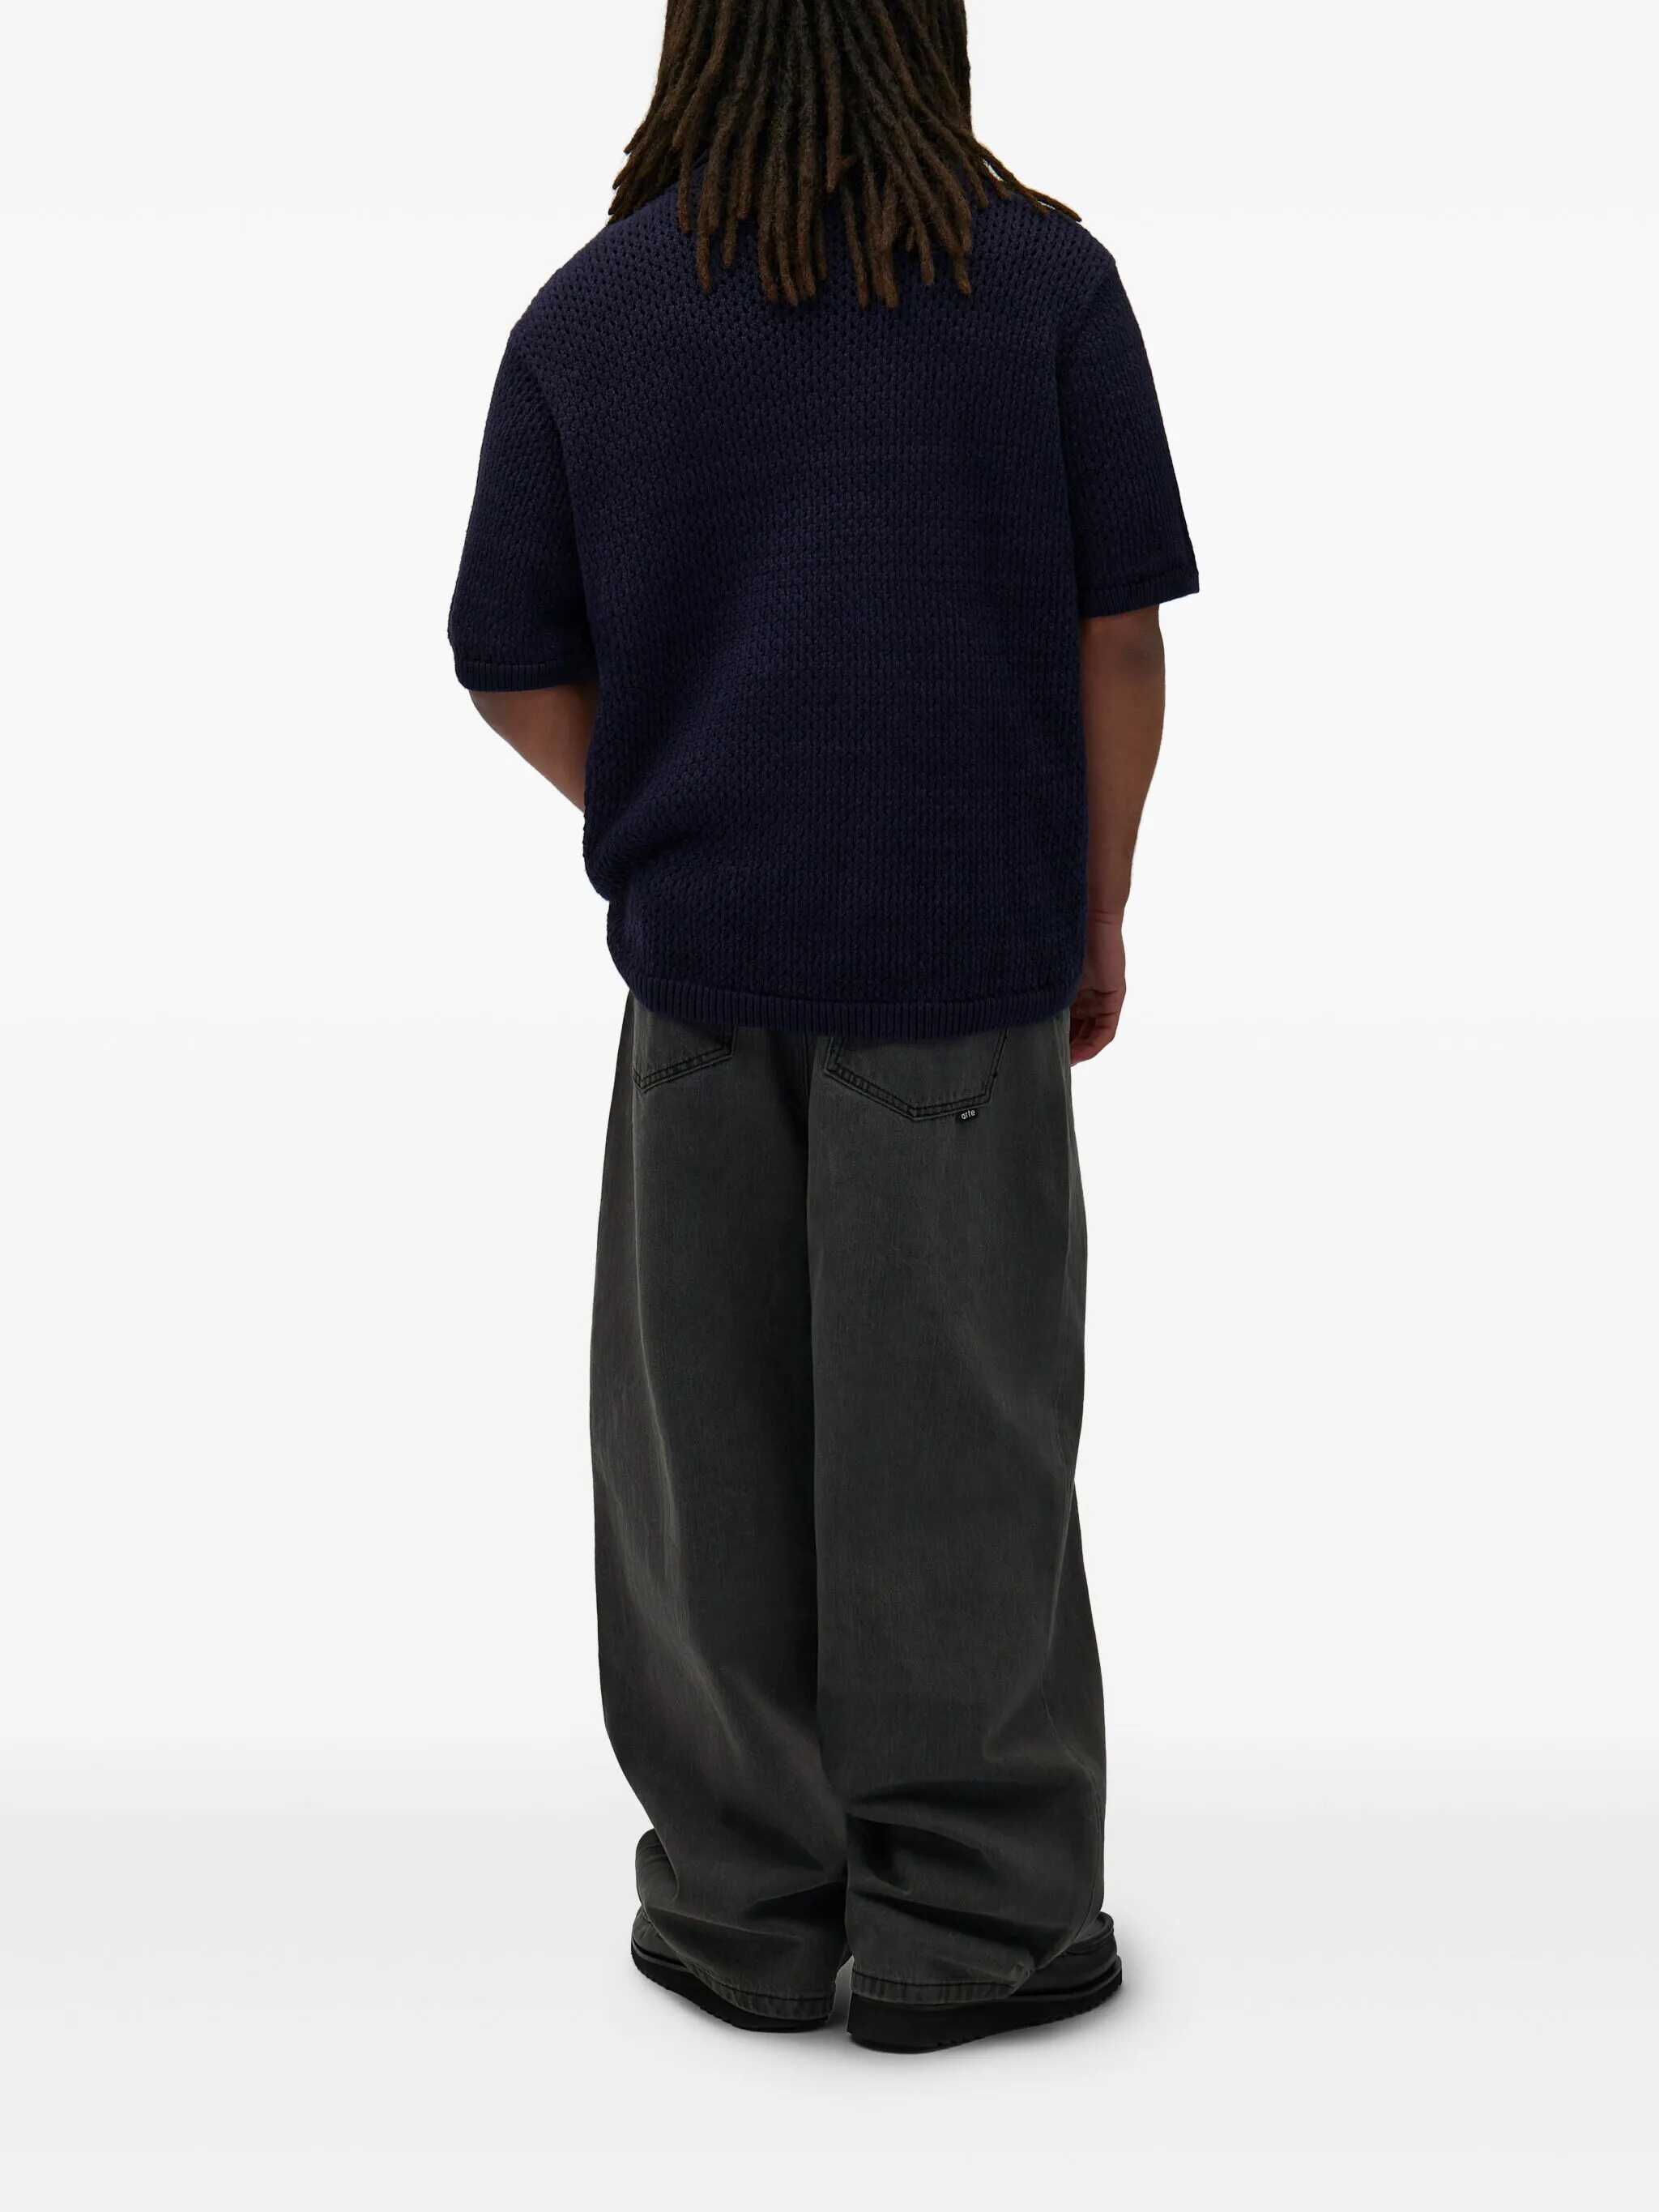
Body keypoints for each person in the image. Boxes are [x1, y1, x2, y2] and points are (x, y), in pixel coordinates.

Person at [448, 0, 1196, 2054]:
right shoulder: (1041, 290)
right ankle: (972, 1920)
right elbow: (1117, 638)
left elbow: (506, 655)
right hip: (962, 971)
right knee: (960, 1441)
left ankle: (743, 1908)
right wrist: (1096, 902)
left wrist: (666, 806)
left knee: (700, 1453)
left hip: (699, 979)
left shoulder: (595, 313)